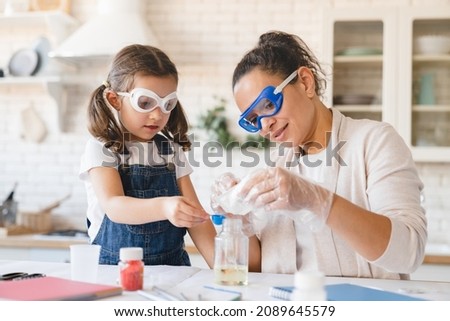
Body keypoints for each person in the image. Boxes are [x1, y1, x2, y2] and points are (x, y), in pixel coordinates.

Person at [212, 31, 427, 279]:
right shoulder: (276, 166)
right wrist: (240, 225)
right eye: (252, 120)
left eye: (268, 105)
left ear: (305, 82)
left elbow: (409, 252)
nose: (264, 126)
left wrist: (319, 201)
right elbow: (260, 270)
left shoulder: (374, 141)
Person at [79, 44, 218, 267]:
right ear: (115, 99)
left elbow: (196, 217)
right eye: (145, 103)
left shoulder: (171, 151)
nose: (157, 115)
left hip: (172, 270)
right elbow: (114, 206)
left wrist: (223, 268)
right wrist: (165, 207)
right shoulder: (102, 148)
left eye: (167, 104)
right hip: (114, 272)